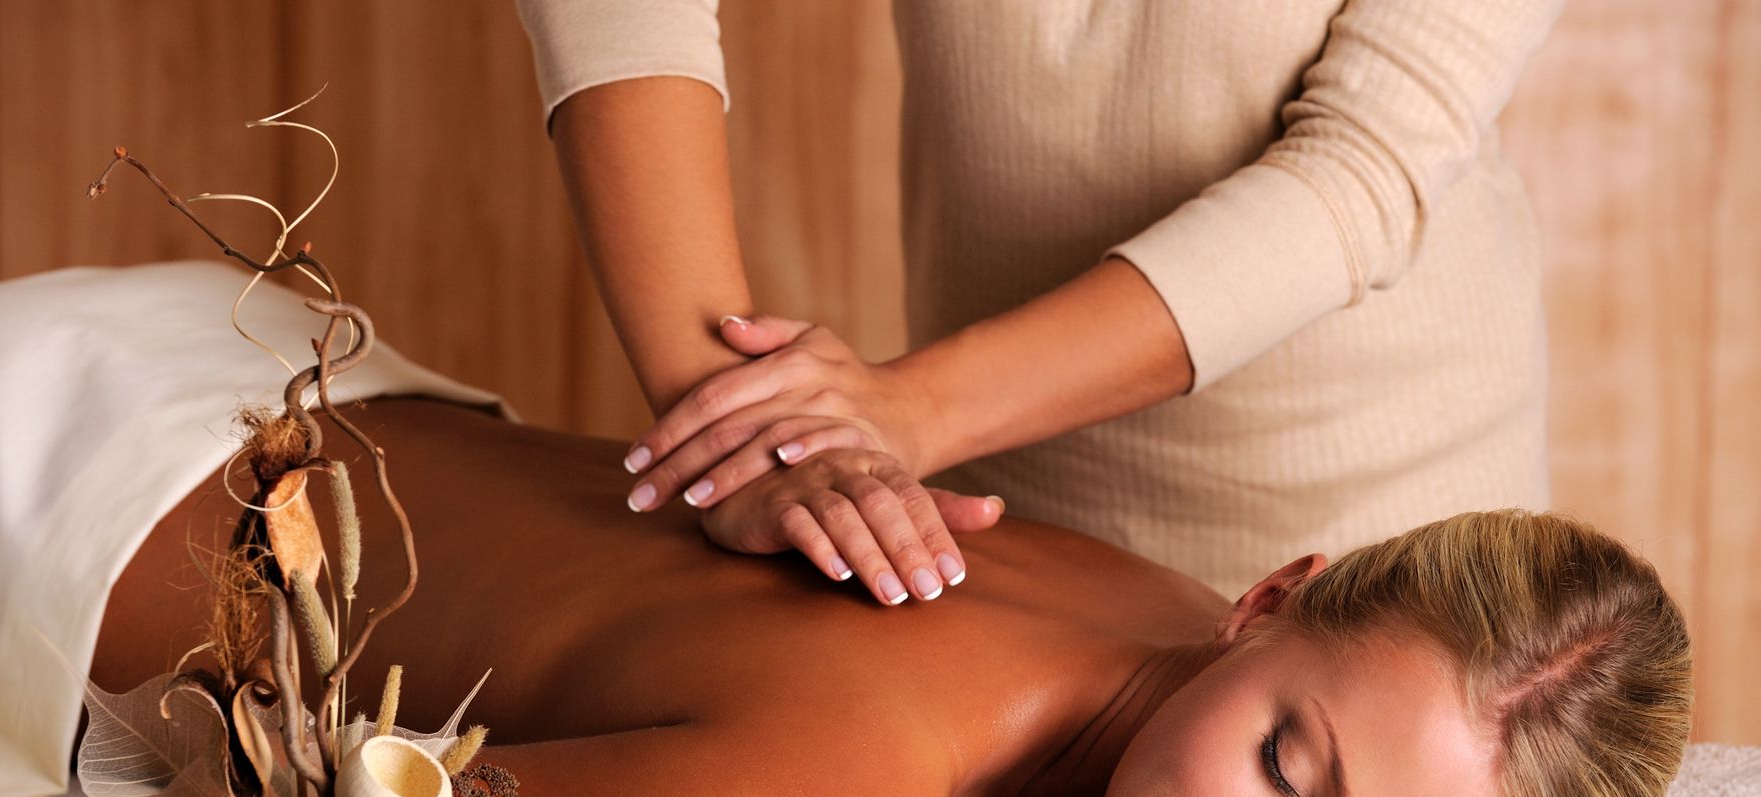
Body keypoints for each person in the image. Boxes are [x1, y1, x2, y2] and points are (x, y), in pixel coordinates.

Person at [91, 396, 1691, 797]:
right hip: (84, 509)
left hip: (327, 411)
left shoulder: (1163, 618)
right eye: (1287, 765)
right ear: (1269, 598)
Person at [513, 1, 1565, 608]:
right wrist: (737, 426)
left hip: (1381, 549)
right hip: (995, 531)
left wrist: (908, 410)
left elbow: (1361, 171)